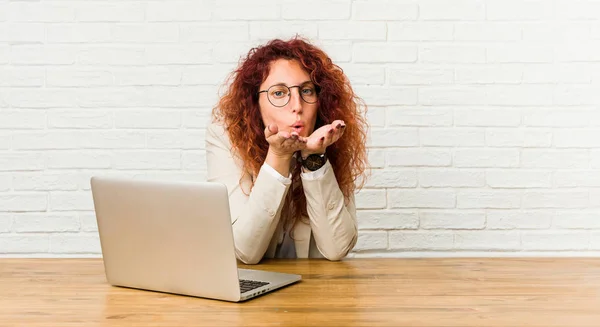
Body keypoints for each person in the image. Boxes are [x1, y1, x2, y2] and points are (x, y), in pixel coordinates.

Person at [205, 36, 369, 264]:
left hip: (317, 289)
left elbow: (336, 249)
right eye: (279, 93)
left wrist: (315, 159)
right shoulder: (224, 137)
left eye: (307, 91)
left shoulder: (331, 134)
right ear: (255, 103)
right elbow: (245, 252)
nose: (297, 106)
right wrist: (278, 157)